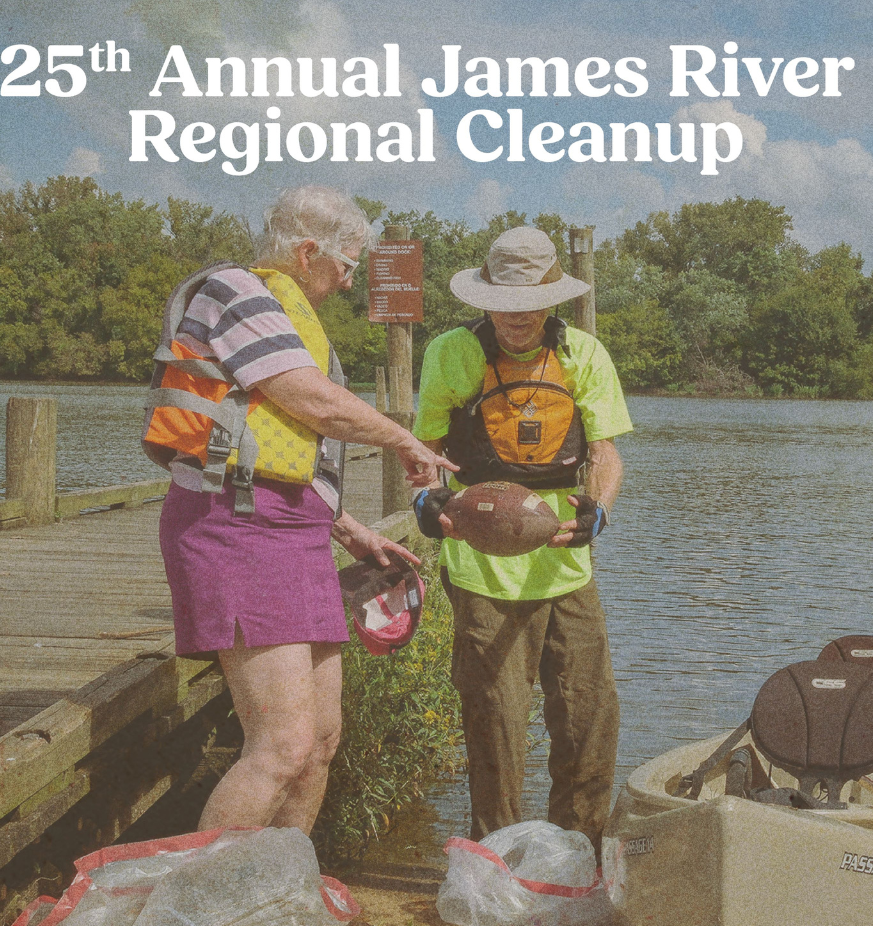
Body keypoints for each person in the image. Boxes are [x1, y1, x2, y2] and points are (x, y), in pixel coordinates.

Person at [149, 185, 455, 847]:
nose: (348, 282)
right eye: (346, 266)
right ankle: (199, 914)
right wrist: (405, 440)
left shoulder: (288, 318)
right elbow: (308, 400)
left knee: (318, 742)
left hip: (294, 531)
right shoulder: (234, 293)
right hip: (235, 527)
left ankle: (285, 893)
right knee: (280, 746)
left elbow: (290, 446)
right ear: (309, 250)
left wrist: (347, 528)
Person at [412, 226, 632, 850]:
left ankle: (578, 849)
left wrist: (601, 511)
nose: (517, 317)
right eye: (505, 304)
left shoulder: (584, 354)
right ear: (485, 299)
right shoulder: (452, 353)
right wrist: (426, 498)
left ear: (552, 299)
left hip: (565, 558)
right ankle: (494, 855)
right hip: (481, 560)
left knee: (589, 711)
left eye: (530, 303)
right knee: (497, 716)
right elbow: (425, 452)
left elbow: (608, 454)